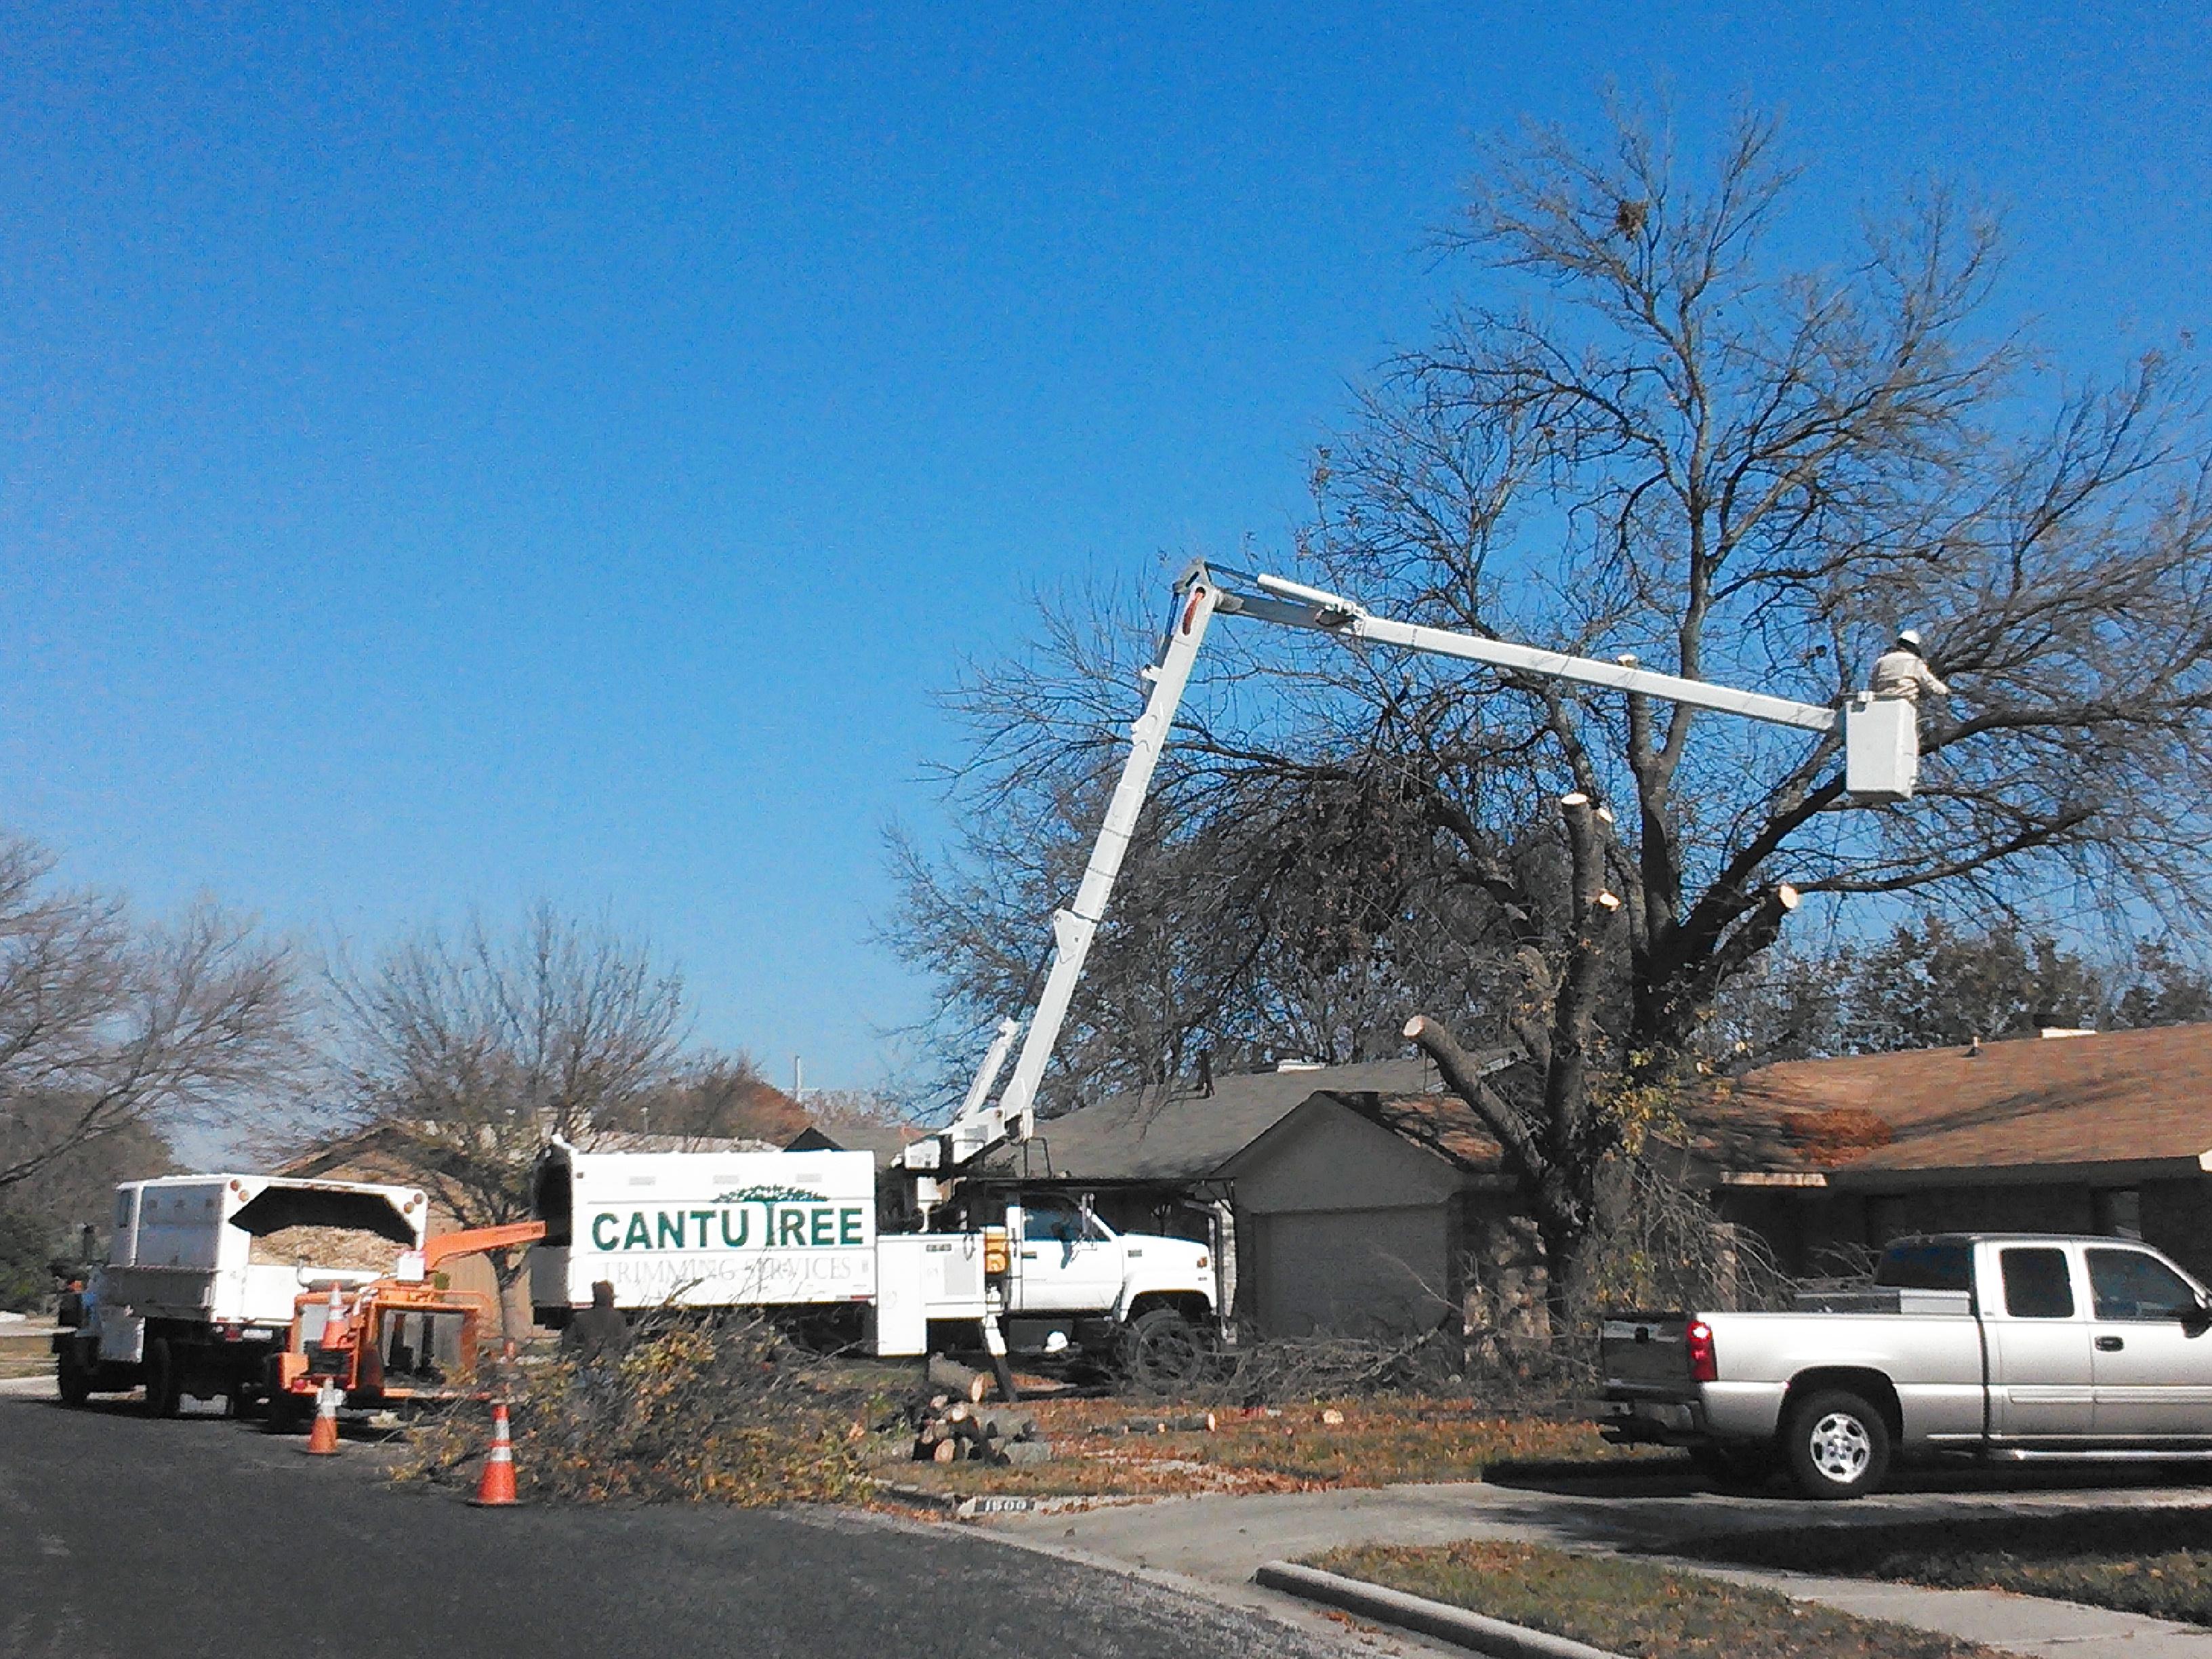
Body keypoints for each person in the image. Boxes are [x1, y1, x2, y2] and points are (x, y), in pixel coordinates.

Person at [1870, 628, 1950, 704]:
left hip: (1881, 703)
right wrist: (1945, 691)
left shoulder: (1881, 661)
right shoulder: (1914, 662)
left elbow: (1873, 685)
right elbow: (1929, 681)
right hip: (1905, 703)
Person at [564, 1279, 630, 1368]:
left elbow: (567, 1345)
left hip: (587, 1366)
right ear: (610, 1299)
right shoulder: (618, 1318)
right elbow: (623, 1345)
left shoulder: (580, 1318)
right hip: (611, 1366)